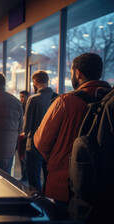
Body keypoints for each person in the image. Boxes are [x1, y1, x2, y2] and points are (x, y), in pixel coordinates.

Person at [34, 53, 112, 214]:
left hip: (66, 186)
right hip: (105, 187)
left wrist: (57, 160)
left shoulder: (65, 101)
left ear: (78, 74)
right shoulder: (110, 101)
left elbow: (41, 141)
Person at [21, 71, 57, 193]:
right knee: (48, 174)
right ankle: (48, 200)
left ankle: (37, 200)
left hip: (34, 143)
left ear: (35, 82)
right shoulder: (57, 97)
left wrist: (25, 132)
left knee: (33, 173)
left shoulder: (33, 99)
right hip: (52, 144)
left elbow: (28, 122)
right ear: (47, 80)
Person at [18, 90, 29, 182]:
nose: (21, 98)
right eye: (20, 96)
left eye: (23, 96)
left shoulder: (28, 107)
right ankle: (23, 174)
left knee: (24, 157)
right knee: (21, 156)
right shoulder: (20, 107)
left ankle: (25, 175)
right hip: (20, 135)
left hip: (25, 136)